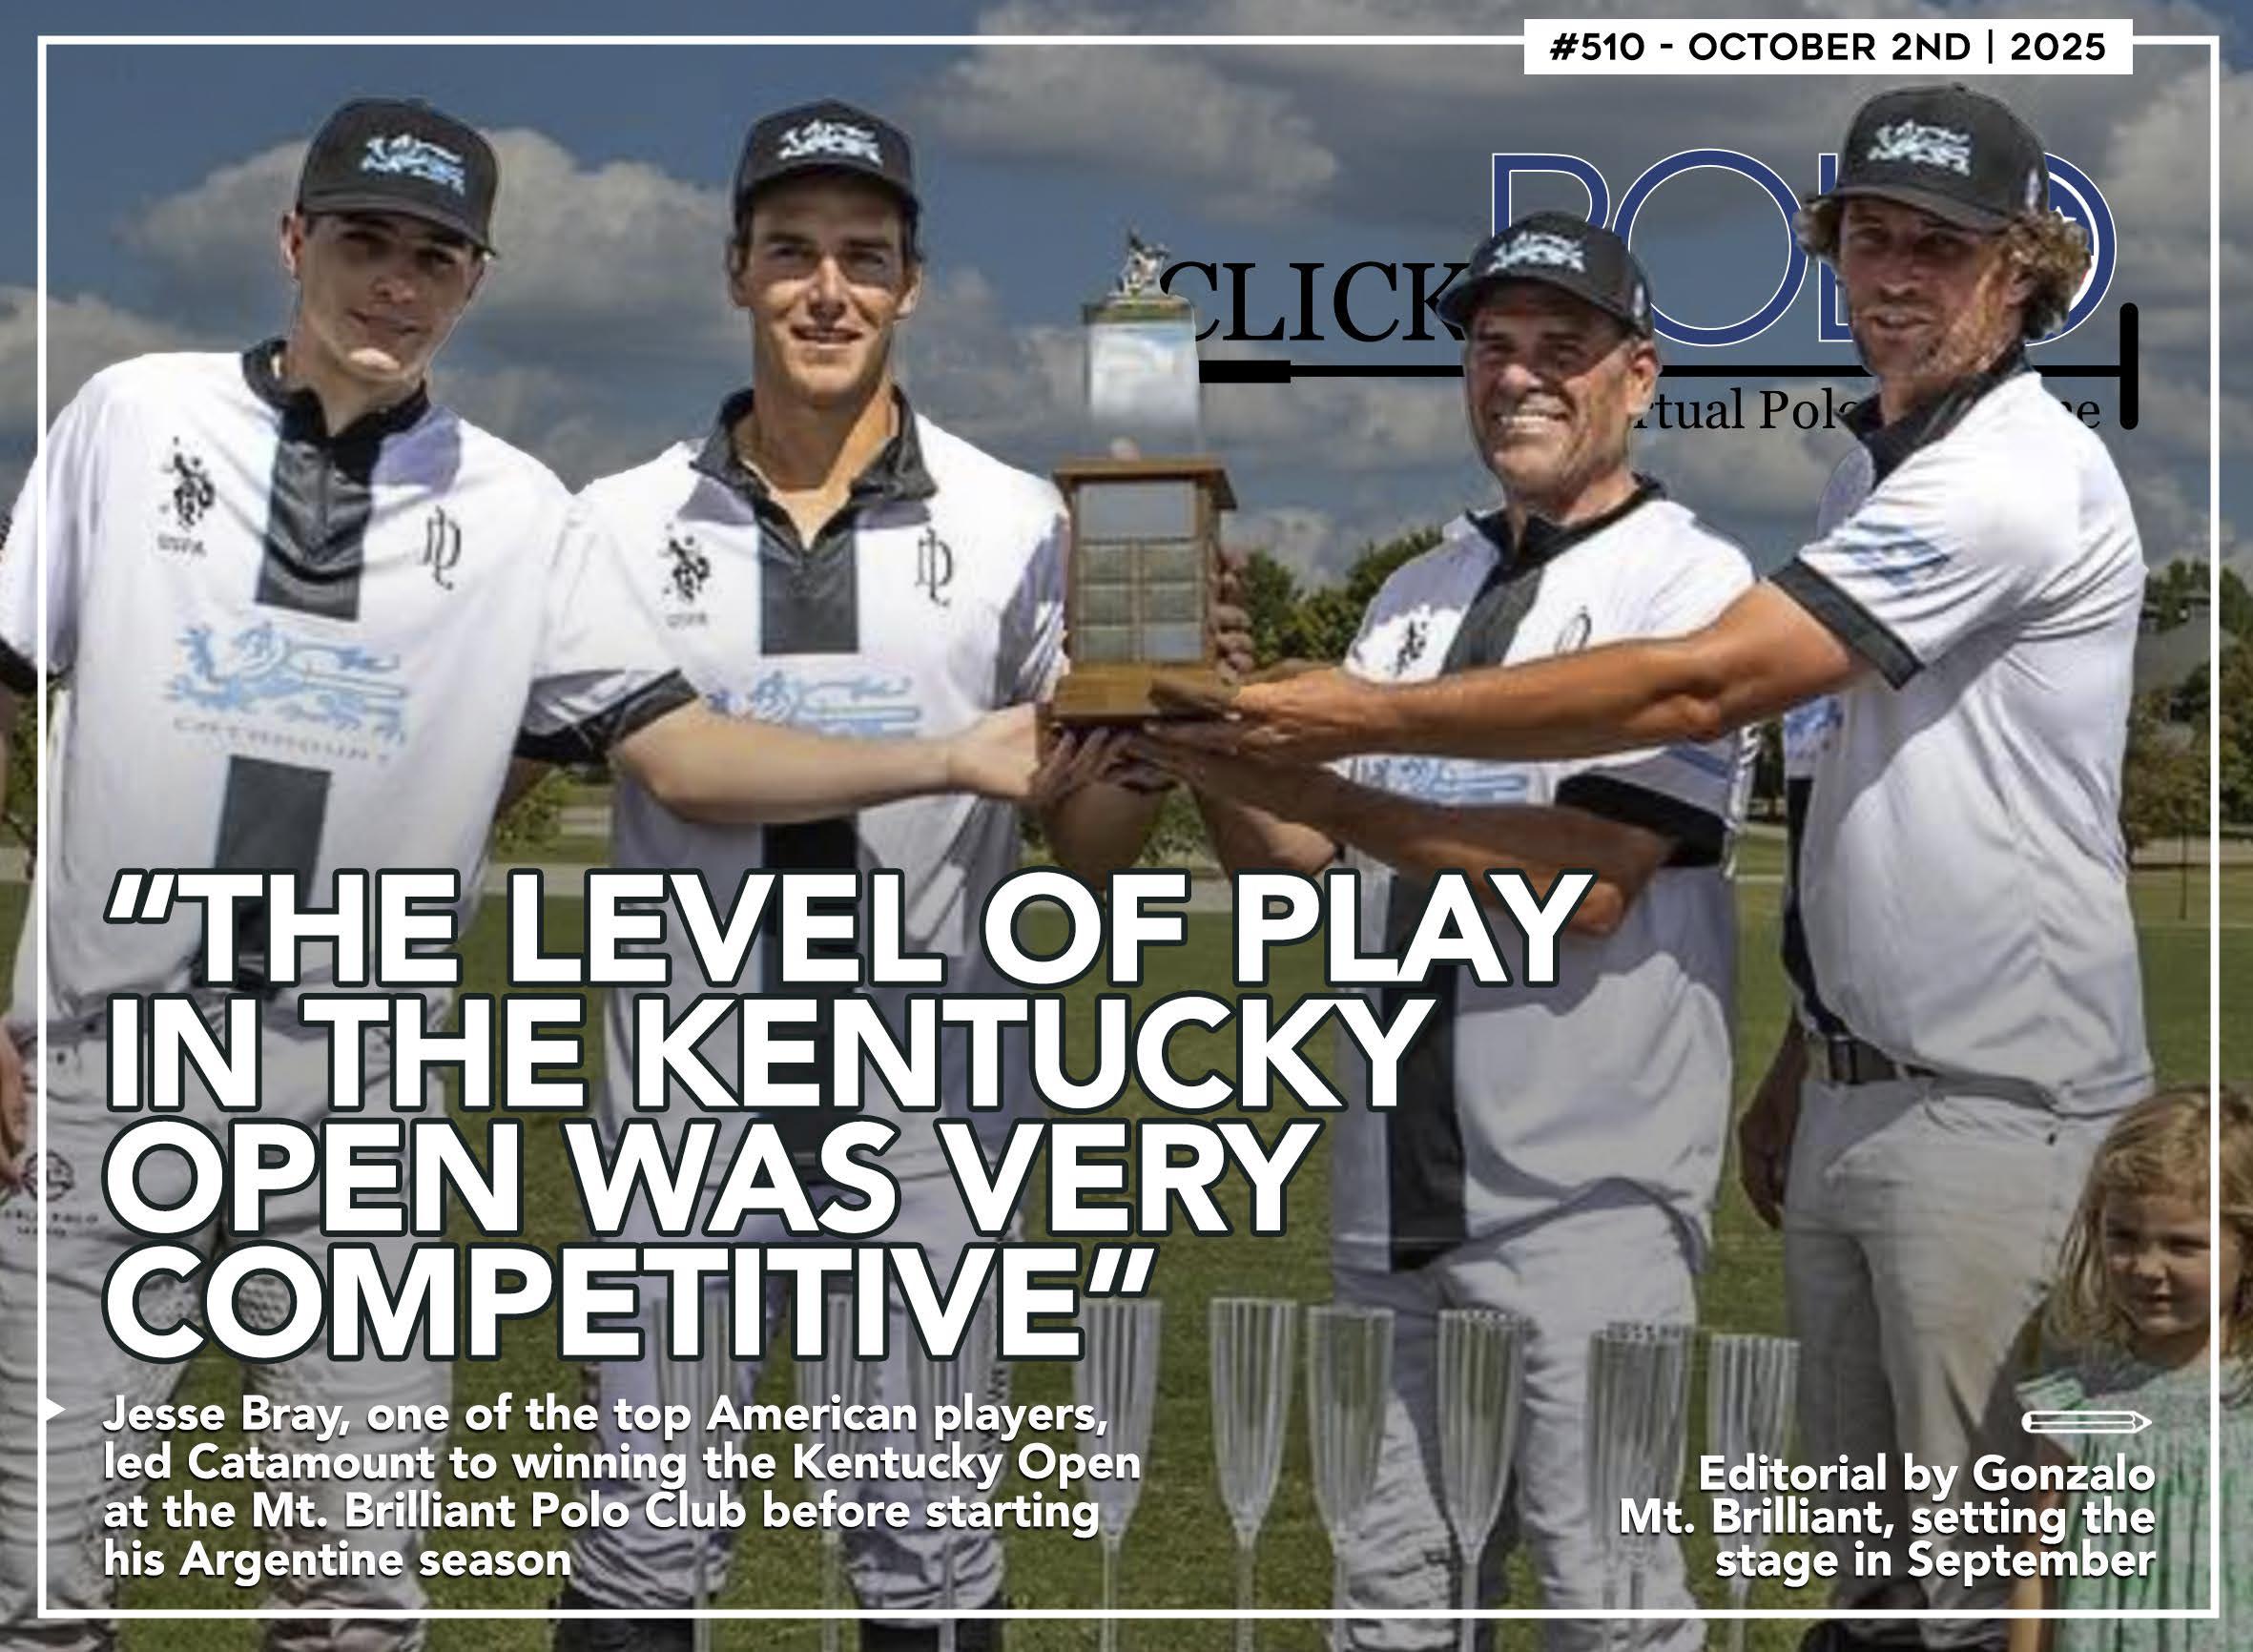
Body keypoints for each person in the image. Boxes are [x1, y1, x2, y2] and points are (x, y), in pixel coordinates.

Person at [0, 95, 1041, 1652]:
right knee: (35, 1578)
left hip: (360, 1106)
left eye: (433, 255)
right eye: (363, 240)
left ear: (474, 280)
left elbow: (683, 754)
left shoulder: (520, 513)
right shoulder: (130, 416)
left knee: (352, 1597)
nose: (393, 281)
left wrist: (953, 757)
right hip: (95, 1078)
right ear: (292, 240)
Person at [1156, 84, 2149, 1649]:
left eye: (1939, 247)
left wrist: (1344, 723)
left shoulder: (1986, 479)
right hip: (1777, 1106)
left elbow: (1657, 760)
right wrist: (1204, 736)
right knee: (1868, 1588)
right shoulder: (1853, 480)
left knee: (1942, 1591)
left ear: (2021, 267)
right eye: (1868, 239)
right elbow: (1844, 817)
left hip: (1949, 1105)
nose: (1894, 275)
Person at [545, 99, 1168, 1652]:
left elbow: (1087, 845)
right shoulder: (614, 521)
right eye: (792, 253)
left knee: (924, 1534)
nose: (827, 289)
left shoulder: (1023, 525)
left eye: (863, 257)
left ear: (911, 284)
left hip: (932, 1109)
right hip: (685, 1105)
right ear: (737, 271)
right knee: (642, 1533)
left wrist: (1152, 722)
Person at [1143, 214, 1751, 1651]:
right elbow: (1293, 856)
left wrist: (1323, 780)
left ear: (1638, 377)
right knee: (1392, 1607)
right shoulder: (1417, 590)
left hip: (1585, 1201)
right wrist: (1202, 733)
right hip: (1391, 1197)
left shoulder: (1689, 585)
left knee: (1607, 1604)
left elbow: (1589, 878)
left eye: (1560, 347)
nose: (1518, 375)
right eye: (1490, 347)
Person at [2008, 1087, 2250, 1652]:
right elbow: (2036, 1573)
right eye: (2123, 1237)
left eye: (2182, 1245)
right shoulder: (2078, 1402)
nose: (2145, 1268)